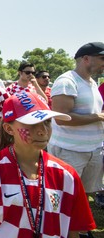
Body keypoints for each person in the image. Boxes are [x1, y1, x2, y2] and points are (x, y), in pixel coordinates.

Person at [0, 92, 96, 237]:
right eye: (32, 123)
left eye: (47, 122)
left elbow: (73, 229)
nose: (43, 131)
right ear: (9, 129)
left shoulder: (67, 174)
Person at [48, 42, 104, 209]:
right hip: (70, 151)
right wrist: (98, 117)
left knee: (83, 195)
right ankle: (63, 231)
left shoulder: (92, 82)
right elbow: (61, 118)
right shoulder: (67, 81)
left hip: (92, 150)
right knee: (64, 196)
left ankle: (79, 229)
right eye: (102, 58)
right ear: (86, 59)